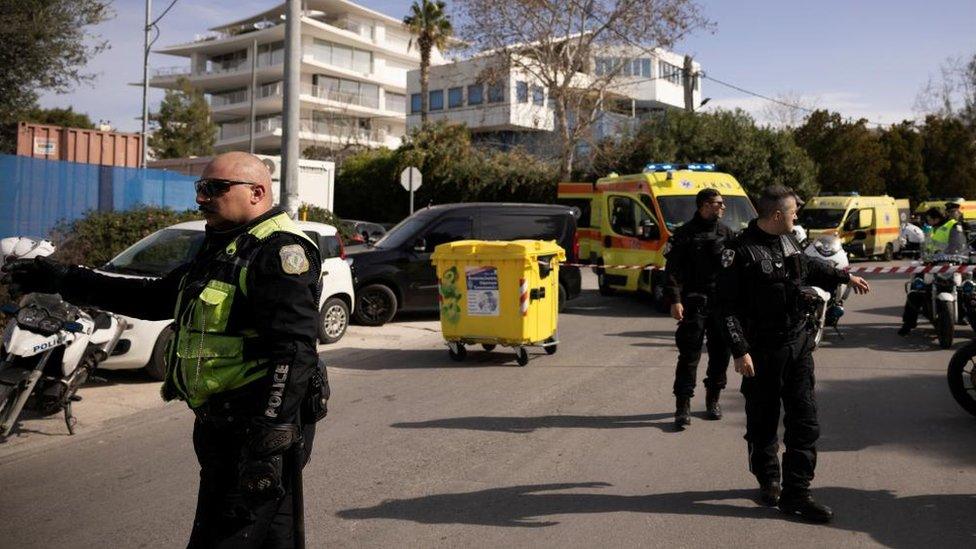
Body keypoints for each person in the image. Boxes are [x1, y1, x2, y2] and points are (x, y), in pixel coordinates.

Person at [1, 152, 328, 548]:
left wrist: (271, 435)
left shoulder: (278, 252)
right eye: (200, 188)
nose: (201, 198)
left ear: (257, 192)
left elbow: (294, 351)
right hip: (221, 423)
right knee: (271, 536)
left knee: (227, 535)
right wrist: (63, 278)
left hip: (256, 426)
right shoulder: (225, 247)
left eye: (214, 189)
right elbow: (154, 297)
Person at [717, 185, 870, 522]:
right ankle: (769, 477)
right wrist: (740, 351)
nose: (796, 216)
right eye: (792, 211)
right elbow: (725, 308)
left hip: (798, 343)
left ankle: (797, 494)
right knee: (763, 422)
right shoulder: (739, 252)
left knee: (805, 420)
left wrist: (845, 275)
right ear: (776, 215)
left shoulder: (790, 241)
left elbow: (811, 268)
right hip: (762, 352)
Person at [663, 188, 733, 429]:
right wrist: (675, 300)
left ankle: (713, 399)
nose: (722, 207)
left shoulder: (727, 233)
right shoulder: (684, 234)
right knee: (689, 356)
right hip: (694, 303)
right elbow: (672, 270)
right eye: (718, 203)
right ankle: (682, 406)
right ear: (704, 205)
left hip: (721, 303)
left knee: (720, 354)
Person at [898, 207, 968, 336]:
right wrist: (917, 250)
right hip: (932, 264)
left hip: (952, 264)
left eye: (929, 218)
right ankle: (908, 323)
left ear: (936, 218)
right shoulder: (931, 229)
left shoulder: (953, 225)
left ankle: (965, 315)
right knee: (916, 288)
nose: (927, 221)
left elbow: (958, 244)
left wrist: (958, 254)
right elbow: (926, 245)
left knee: (967, 289)